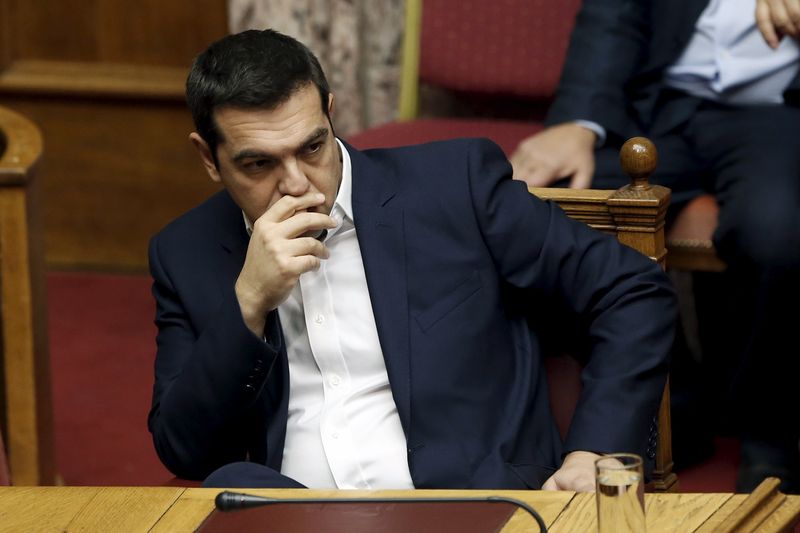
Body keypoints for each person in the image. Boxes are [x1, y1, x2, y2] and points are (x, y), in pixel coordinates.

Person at [147, 28, 676, 491]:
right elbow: (185, 449)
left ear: (330, 115)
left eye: (312, 148)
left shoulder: (454, 187)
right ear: (208, 159)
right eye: (258, 163)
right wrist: (249, 303)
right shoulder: (186, 251)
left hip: (468, 508)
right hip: (297, 514)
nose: (295, 184)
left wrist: (593, 454)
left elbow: (632, 292)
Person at [510, 0, 800, 493]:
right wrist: (581, 122)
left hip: (776, 114)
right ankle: (673, 403)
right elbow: (613, 15)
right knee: (546, 211)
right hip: (656, 105)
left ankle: (770, 432)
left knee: (775, 231)